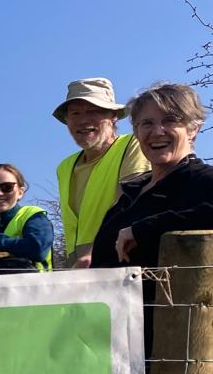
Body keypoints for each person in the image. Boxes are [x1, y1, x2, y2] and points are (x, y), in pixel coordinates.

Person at [92, 82, 213, 270]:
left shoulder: (201, 179)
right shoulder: (127, 197)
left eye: (170, 120)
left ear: (193, 130)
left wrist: (143, 230)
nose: (157, 132)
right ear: (136, 132)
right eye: (147, 123)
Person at [53, 78, 150, 269]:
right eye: (75, 113)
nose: (83, 120)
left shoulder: (133, 145)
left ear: (113, 115)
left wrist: (95, 251)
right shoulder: (65, 167)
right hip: (80, 269)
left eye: (93, 111)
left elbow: (133, 203)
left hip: (123, 262)